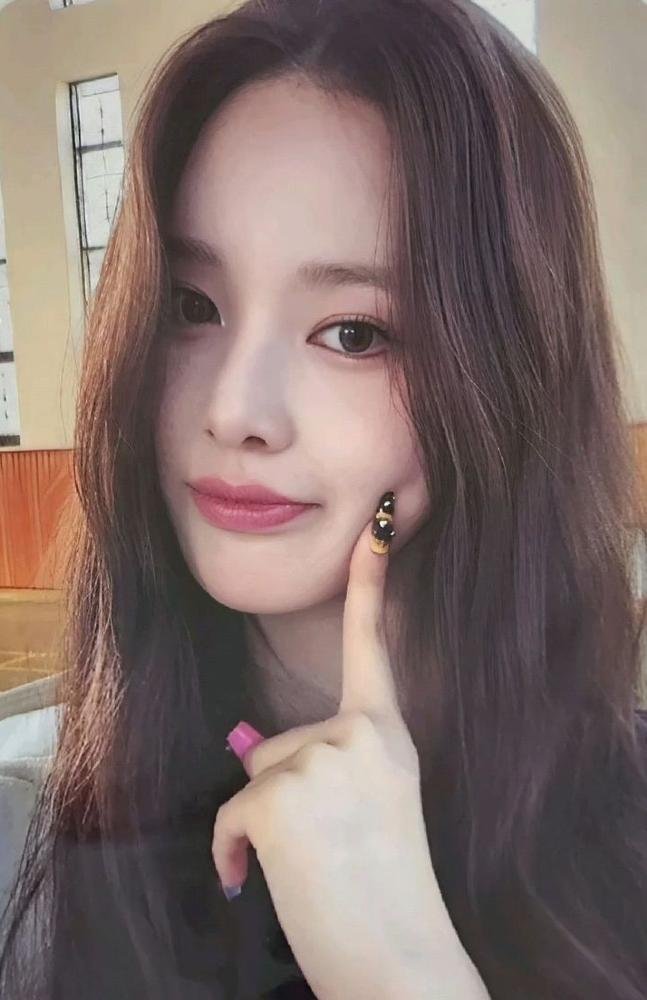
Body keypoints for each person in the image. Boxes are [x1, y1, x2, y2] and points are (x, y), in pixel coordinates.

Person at [1, 0, 647, 996]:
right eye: (191, 307)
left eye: (353, 333)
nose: (235, 411)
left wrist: (401, 975)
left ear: (511, 373)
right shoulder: (30, 850)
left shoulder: (621, 824)